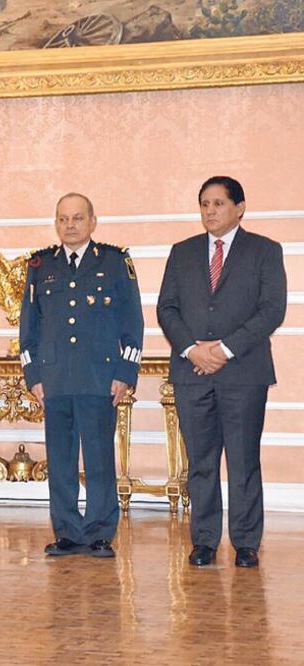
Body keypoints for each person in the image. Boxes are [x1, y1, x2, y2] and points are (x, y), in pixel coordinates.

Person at [157, 176, 287, 569]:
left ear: (239, 207)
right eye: (204, 204)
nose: (209, 211)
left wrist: (225, 349)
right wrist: (193, 349)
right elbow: (168, 308)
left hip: (243, 373)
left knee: (244, 460)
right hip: (190, 371)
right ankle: (204, 541)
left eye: (218, 203)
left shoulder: (265, 250)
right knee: (201, 461)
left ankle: (246, 542)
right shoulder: (182, 253)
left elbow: (271, 309)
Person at [18, 193, 144, 559]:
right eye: (63, 219)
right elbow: (30, 326)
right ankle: (68, 532)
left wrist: (125, 372)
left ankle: (101, 532)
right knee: (60, 460)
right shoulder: (40, 266)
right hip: (54, 380)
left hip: (99, 377)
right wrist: (33, 375)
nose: (69, 225)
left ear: (92, 221)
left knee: (100, 458)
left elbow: (132, 322)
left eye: (77, 218)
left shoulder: (115, 262)